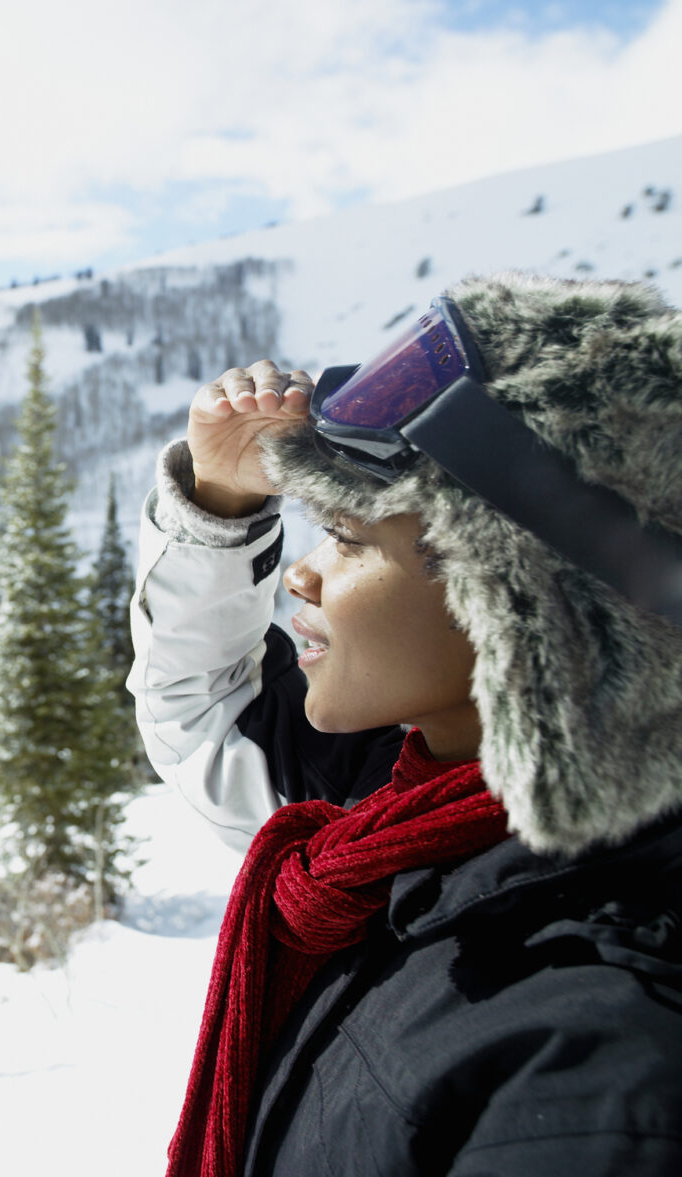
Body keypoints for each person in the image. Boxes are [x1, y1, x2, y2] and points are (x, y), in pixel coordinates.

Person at [128, 272, 682, 1176]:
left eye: (346, 534)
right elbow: (207, 721)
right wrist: (221, 509)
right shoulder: (403, 812)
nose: (301, 576)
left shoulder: (599, 1065)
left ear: (516, 596)